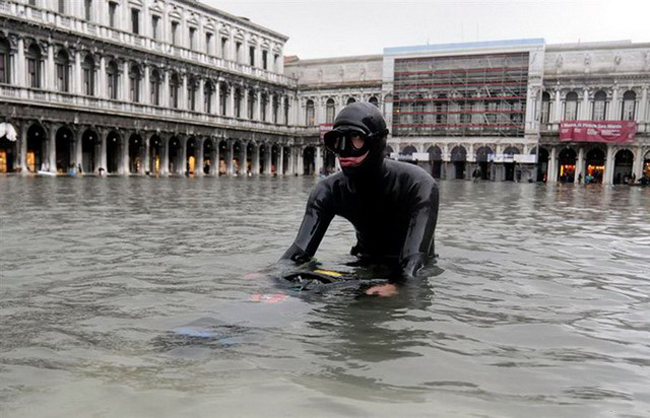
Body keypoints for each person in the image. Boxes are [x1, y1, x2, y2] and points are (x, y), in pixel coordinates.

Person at [280, 103, 439, 297]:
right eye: (337, 140)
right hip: (361, 262)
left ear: (377, 142)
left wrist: (397, 285)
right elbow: (299, 252)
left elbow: (415, 260)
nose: (343, 150)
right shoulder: (328, 190)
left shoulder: (418, 185)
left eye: (356, 138)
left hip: (415, 268)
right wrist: (272, 275)